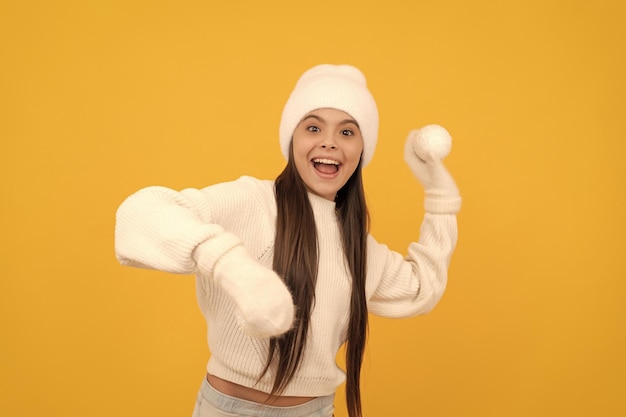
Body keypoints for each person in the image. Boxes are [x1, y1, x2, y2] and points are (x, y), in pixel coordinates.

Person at [115, 64, 461, 417]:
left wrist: (440, 197)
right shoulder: (253, 203)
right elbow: (140, 214)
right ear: (292, 138)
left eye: (347, 131)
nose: (329, 141)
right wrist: (229, 264)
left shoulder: (357, 245)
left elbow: (422, 289)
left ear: (361, 150)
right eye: (313, 127)